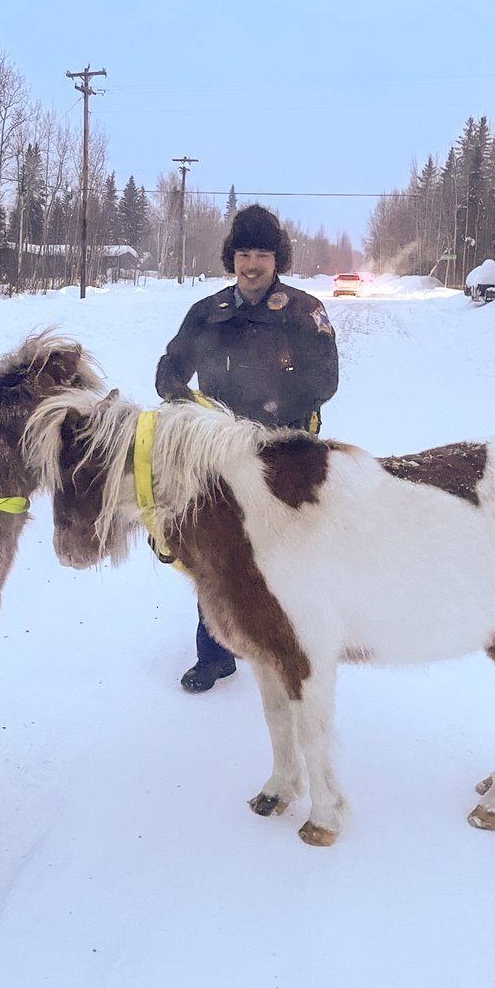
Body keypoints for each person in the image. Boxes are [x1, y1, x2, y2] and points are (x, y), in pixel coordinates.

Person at [155, 204, 338, 692]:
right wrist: (184, 395)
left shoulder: (304, 311)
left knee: (284, 552)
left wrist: (270, 408)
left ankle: (287, 642)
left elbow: (325, 380)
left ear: (277, 258)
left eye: (261, 254)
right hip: (218, 456)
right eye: (243, 253)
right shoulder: (208, 312)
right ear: (230, 257)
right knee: (214, 548)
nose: (251, 264)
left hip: (284, 453)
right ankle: (214, 654)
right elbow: (170, 368)